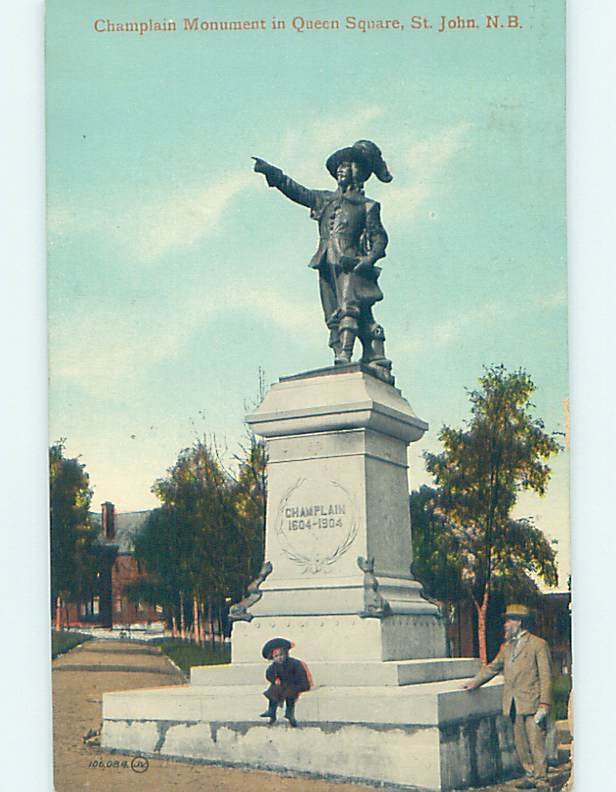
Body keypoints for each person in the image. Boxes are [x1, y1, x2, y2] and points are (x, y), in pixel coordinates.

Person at [253, 140, 394, 383]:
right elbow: (298, 192)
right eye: (338, 165)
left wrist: (367, 260)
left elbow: (379, 238)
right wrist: (274, 174)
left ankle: (344, 355)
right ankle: (366, 352)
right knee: (333, 313)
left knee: (350, 307)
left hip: (350, 264)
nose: (340, 169)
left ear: (358, 171)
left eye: (346, 165)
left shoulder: (369, 206)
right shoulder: (325, 200)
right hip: (326, 262)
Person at [463, 605, 552, 790]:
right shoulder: (507, 647)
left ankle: (542, 779)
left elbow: (546, 675)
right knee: (521, 744)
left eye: (509, 620)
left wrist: (545, 703)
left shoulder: (538, 644)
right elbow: (493, 667)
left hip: (533, 702)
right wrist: (474, 682)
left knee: (536, 742)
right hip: (513, 704)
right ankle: (530, 775)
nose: (505, 625)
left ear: (519, 622)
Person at [259, 637, 312, 727]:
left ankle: (290, 713)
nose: (279, 658)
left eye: (281, 655)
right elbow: (269, 674)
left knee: (290, 694)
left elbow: (301, 675)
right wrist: (274, 679)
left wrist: (301, 685)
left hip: (294, 683)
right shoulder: (274, 667)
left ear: (286, 654)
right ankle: (271, 711)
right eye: (276, 656)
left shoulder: (294, 663)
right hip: (281, 685)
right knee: (273, 691)